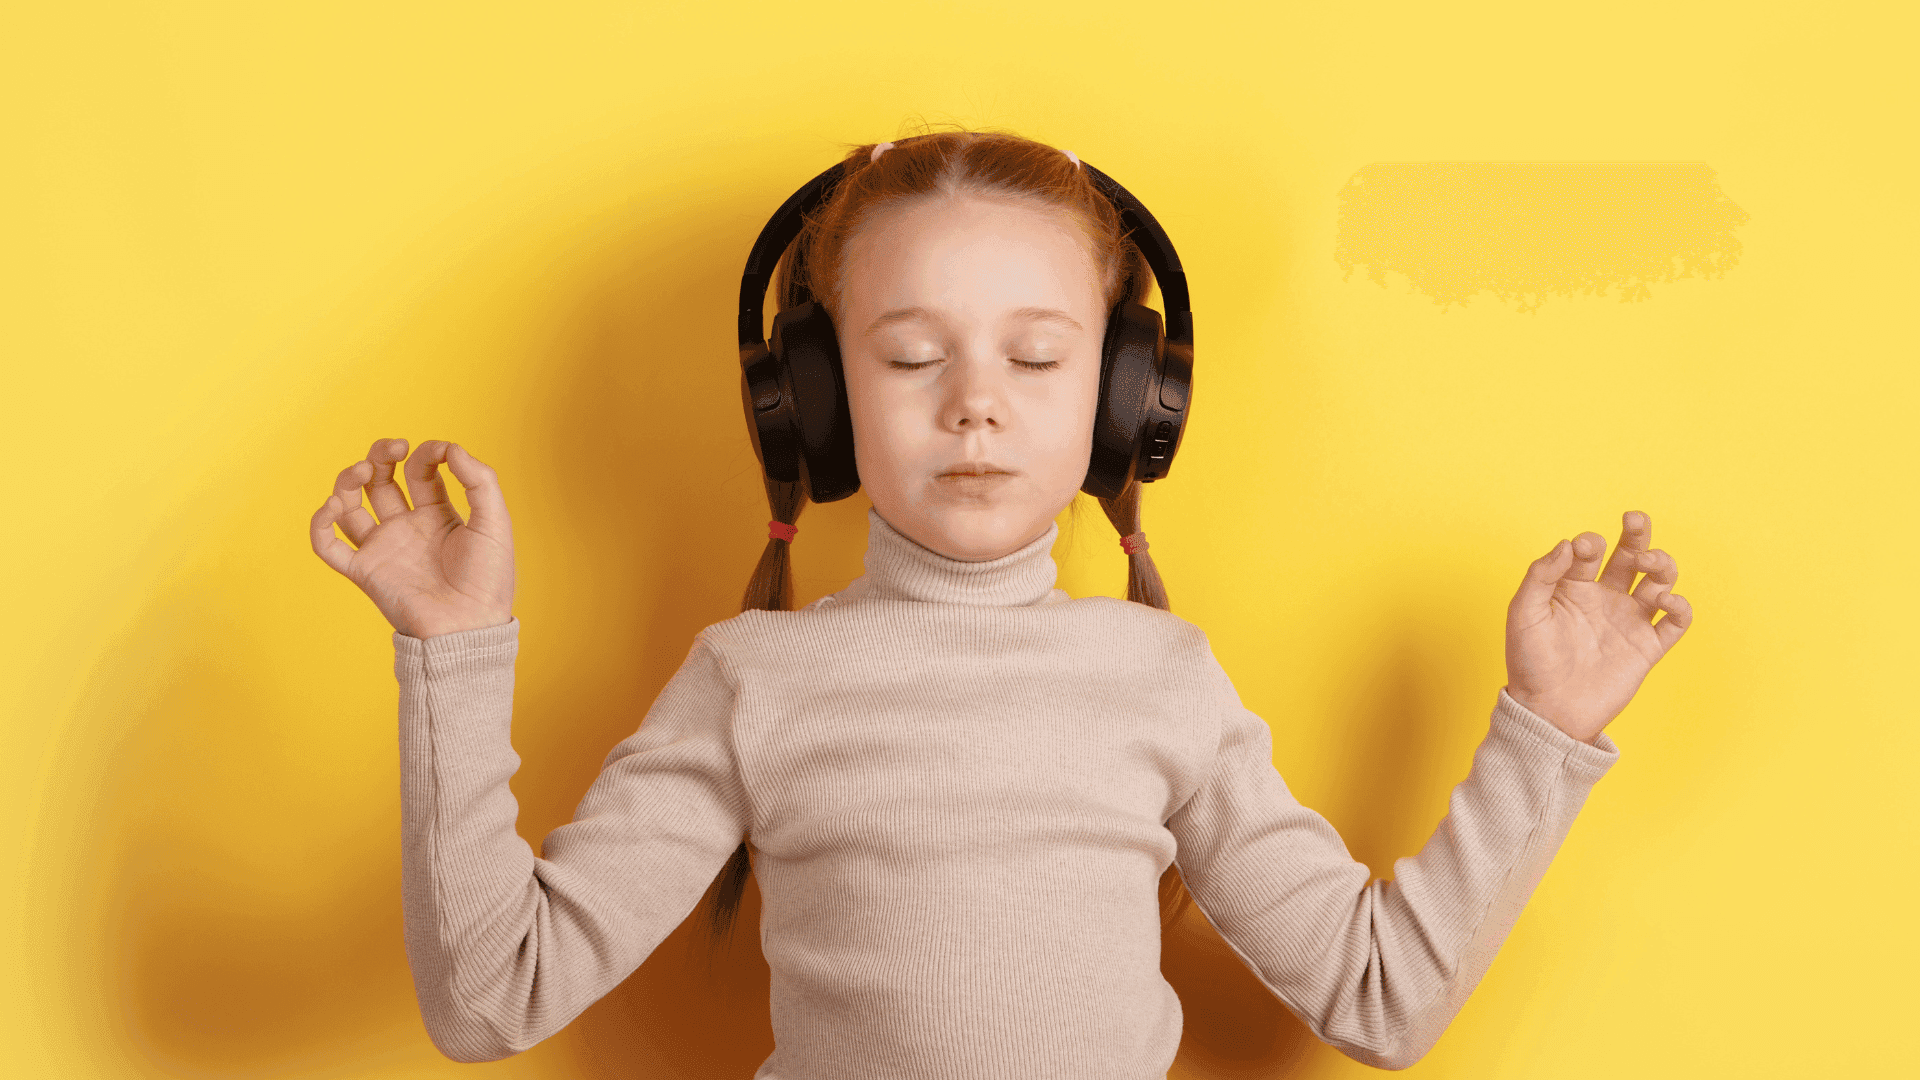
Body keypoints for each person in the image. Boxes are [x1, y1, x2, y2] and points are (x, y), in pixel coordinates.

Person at [309, 130, 1692, 1077]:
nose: (974, 400)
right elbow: (492, 998)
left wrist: (1545, 731)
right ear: (817, 401)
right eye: (911, 355)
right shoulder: (753, 681)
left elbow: (1382, 1000)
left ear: (1121, 401)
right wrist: (451, 651)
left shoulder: (1165, 681)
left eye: (1038, 357)